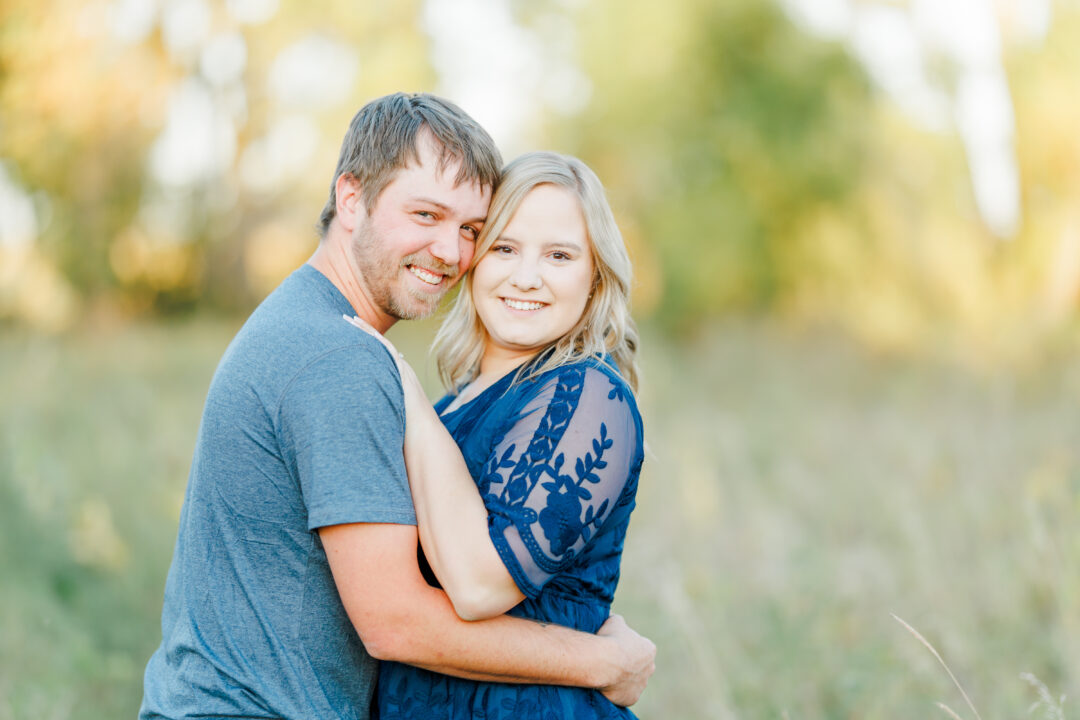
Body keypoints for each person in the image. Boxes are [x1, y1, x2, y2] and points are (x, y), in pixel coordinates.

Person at [139, 93, 654, 720]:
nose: (447, 251)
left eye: (468, 230)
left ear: (594, 275)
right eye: (427, 214)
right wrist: (605, 662)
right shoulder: (342, 356)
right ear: (351, 199)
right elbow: (396, 621)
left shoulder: (331, 338)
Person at [348, 151, 646, 719]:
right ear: (474, 260)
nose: (525, 277)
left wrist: (401, 385)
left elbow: (479, 588)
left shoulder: (588, 397)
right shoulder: (451, 404)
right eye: (504, 248)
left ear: (594, 277)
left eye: (559, 255)